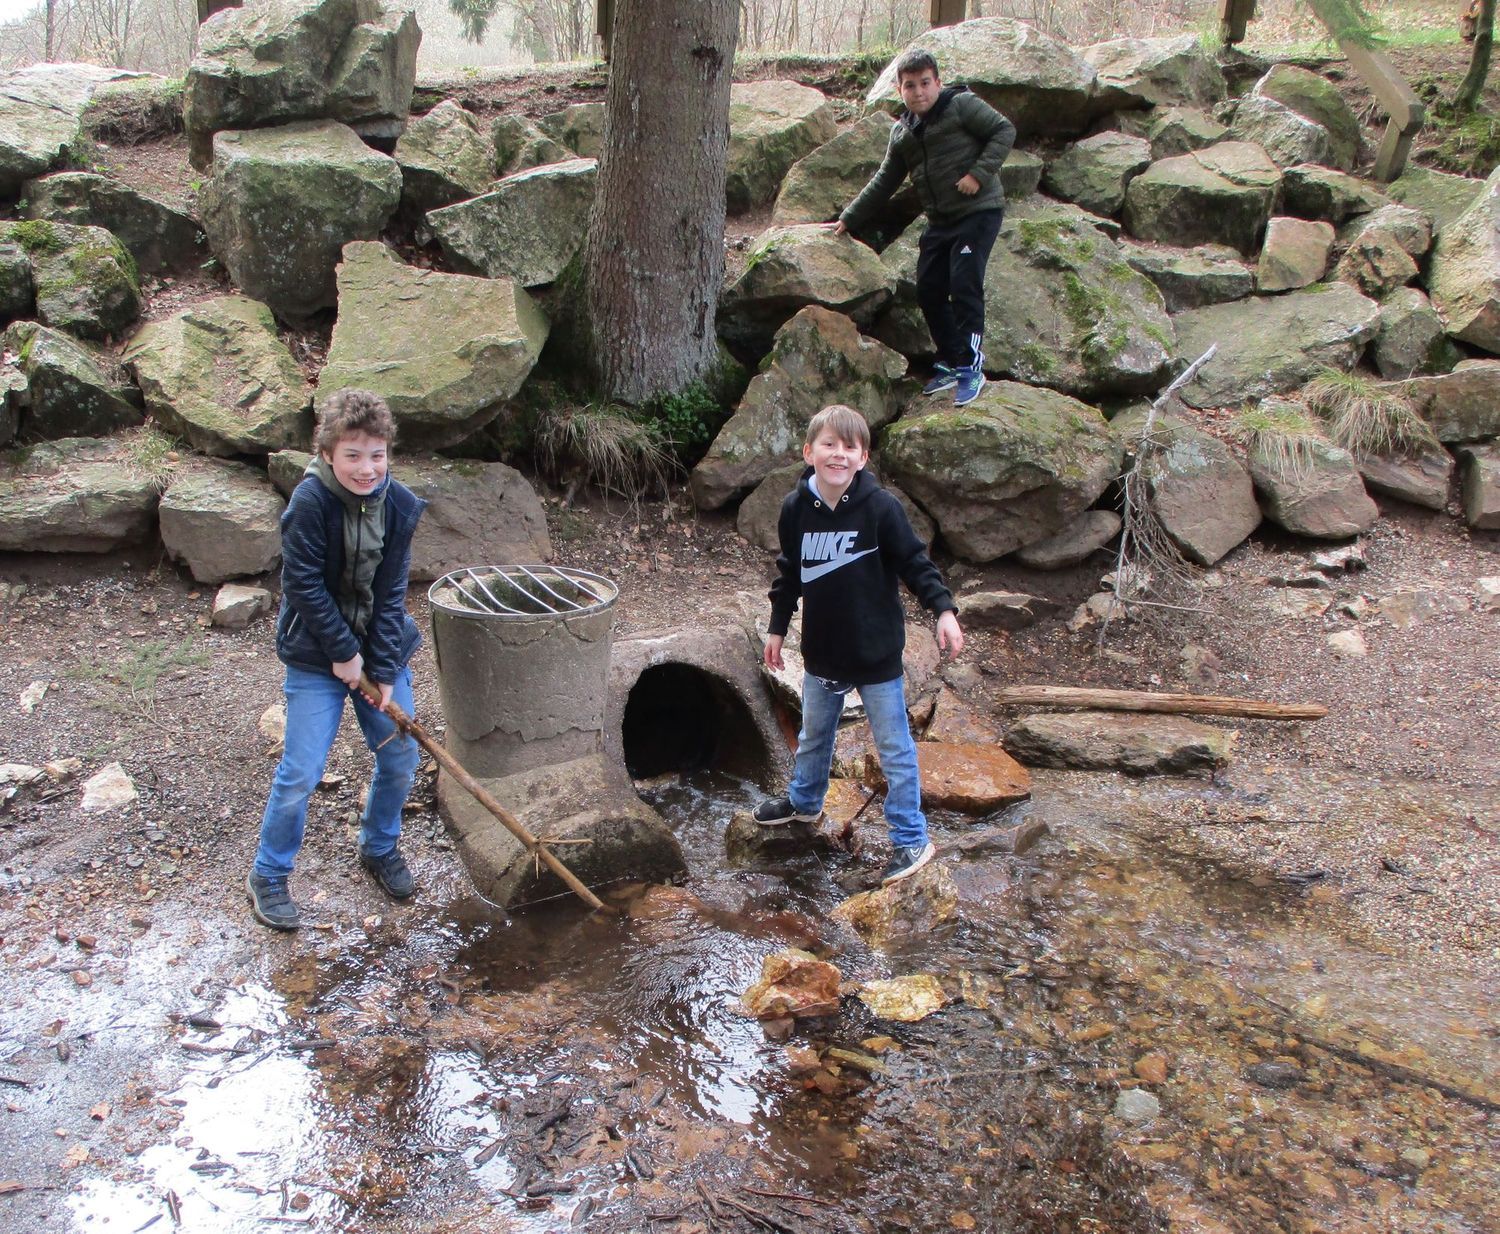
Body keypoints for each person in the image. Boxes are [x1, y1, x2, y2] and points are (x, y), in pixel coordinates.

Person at [754, 404, 964, 886]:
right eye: (829, 444)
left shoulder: (880, 508)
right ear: (809, 452)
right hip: (823, 651)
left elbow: (915, 563)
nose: (839, 454)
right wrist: (777, 627)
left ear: (863, 457)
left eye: (850, 447)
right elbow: (790, 574)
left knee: (894, 748)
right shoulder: (795, 509)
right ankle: (804, 805)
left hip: (877, 655)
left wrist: (944, 610)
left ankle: (911, 839)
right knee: (813, 738)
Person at [245, 389, 428, 931]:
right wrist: (344, 656)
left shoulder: (399, 504)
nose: (366, 468)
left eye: (377, 455)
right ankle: (269, 874)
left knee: (401, 757)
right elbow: (300, 583)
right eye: (353, 455)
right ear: (327, 453)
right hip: (315, 655)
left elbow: (392, 592)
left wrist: (385, 668)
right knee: (301, 770)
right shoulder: (310, 504)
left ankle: (378, 846)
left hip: (378, 650)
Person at [831, 48, 1015, 408]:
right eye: (910, 85)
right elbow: (885, 180)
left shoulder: (961, 106)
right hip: (941, 221)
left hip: (978, 211)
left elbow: (1003, 130)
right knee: (928, 289)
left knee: (964, 284)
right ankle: (951, 359)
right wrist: (849, 218)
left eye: (925, 83)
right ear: (900, 90)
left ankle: (972, 367)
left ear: (938, 83)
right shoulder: (903, 133)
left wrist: (978, 174)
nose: (919, 92)